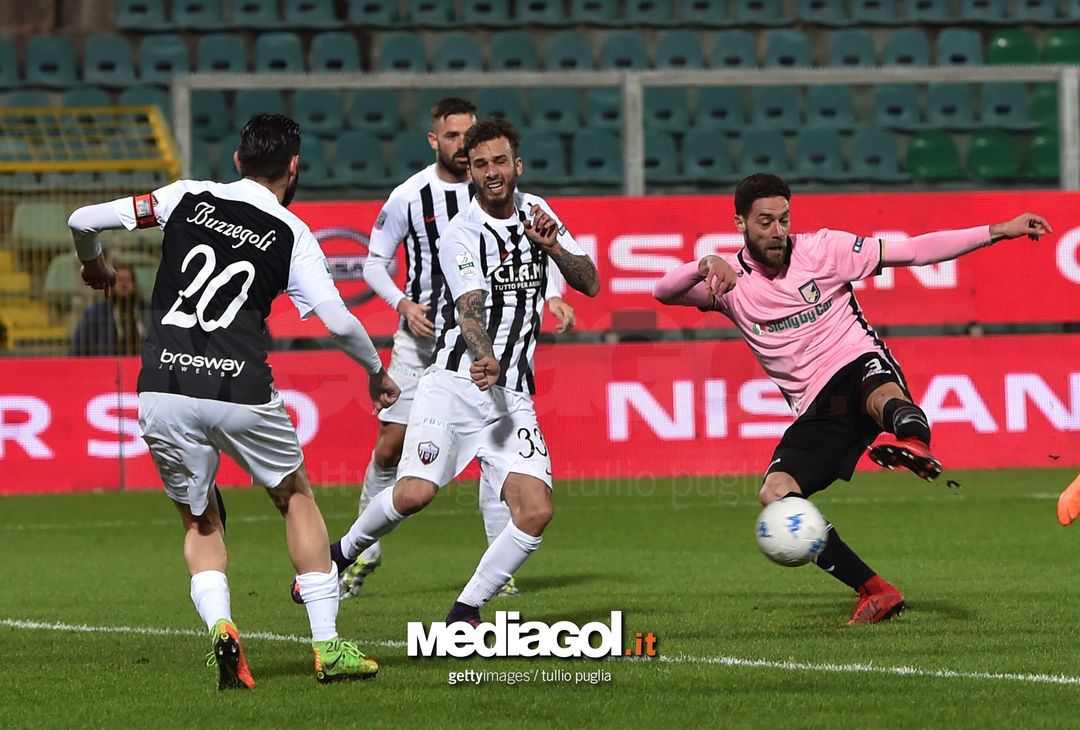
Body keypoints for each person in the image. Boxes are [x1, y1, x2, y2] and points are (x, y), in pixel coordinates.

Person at [68, 114, 400, 688]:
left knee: (200, 521)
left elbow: (81, 220)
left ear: (238, 161)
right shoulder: (293, 234)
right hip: (240, 388)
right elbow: (339, 322)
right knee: (294, 496)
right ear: (293, 168)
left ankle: (222, 626)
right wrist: (375, 370)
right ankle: (329, 647)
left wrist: (96, 263)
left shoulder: (185, 196)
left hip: (164, 385)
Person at [654, 173, 1051, 625]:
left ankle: (914, 442)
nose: (777, 231)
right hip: (817, 407)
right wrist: (703, 262)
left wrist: (998, 230)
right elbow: (662, 291)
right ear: (740, 222)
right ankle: (875, 590)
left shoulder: (825, 250)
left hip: (854, 359)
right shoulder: (729, 285)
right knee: (777, 493)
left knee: (880, 393)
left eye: (784, 219)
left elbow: (916, 251)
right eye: (765, 221)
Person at [324, 117, 599, 626]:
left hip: (511, 394)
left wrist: (554, 247)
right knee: (414, 494)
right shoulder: (460, 233)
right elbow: (469, 307)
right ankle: (341, 551)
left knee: (535, 512)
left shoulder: (540, 213)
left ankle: (465, 610)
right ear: (469, 173)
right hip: (454, 384)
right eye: (480, 165)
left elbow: (591, 282)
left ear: (516, 165)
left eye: (499, 162)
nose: (491, 172)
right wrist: (483, 355)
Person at [69, 263, 148, 356]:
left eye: (128, 280)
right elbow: (77, 350)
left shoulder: (148, 311)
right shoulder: (95, 314)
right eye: (119, 280)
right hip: (106, 366)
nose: (124, 284)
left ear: (135, 285)